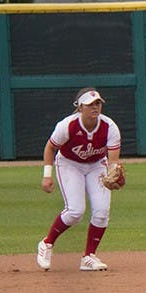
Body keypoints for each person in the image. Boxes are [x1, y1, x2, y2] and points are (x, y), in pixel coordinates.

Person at [36, 87, 122, 272]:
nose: (95, 107)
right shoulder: (67, 125)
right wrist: (47, 175)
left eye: (98, 103)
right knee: (75, 211)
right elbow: (50, 148)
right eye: (90, 104)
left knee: (101, 212)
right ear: (80, 107)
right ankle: (47, 243)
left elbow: (113, 160)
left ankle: (88, 257)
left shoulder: (109, 127)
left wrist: (113, 173)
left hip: (97, 164)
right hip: (69, 164)